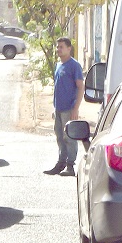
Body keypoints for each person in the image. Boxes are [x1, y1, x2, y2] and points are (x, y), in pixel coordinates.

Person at [43, 37, 84, 177]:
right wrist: (54, 108)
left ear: (69, 48)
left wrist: (76, 108)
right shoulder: (59, 65)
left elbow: (80, 87)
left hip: (69, 109)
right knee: (60, 137)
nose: (58, 49)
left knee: (69, 137)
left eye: (61, 47)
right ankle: (61, 163)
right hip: (59, 108)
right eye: (58, 47)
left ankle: (70, 166)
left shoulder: (74, 65)